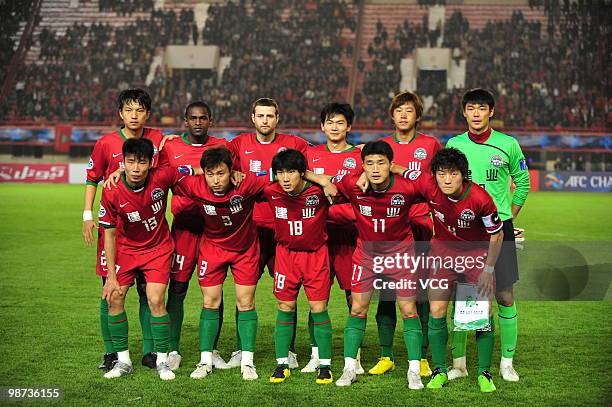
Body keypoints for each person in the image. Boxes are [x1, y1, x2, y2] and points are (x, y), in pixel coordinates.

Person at [393, 147, 504, 393]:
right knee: (436, 309)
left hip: (476, 256)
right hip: (443, 253)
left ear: (463, 175)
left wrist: (487, 269)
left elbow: (497, 235)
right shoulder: (429, 184)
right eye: (441, 173)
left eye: (452, 174)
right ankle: (440, 371)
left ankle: (484, 373)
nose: (446, 179)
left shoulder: (480, 199)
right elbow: (404, 171)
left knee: (477, 315)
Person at [446, 88, 530, 382]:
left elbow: (522, 182)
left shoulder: (508, 144)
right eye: (471, 108)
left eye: (482, 108)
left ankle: (507, 362)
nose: (477, 113)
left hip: (499, 228)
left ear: (491, 111)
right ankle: (459, 364)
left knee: (505, 295)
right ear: (465, 112)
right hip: (465, 231)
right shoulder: (454, 145)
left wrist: (507, 217)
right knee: (463, 295)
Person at [328, 141, 425, 389]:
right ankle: (349, 368)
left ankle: (414, 370)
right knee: (358, 308)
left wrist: (402, 169)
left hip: (400, 255)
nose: (375, 169)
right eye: (369, 164)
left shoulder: (407, 187)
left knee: (408, 310)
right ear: (362, 166)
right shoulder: (353, 183)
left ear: (390, 165)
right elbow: (327, 184)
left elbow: (432, 183)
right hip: (367, 256)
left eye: (381, 163)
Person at [170, 147, 269, 381]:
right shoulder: (195, 185)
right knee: (210, 302)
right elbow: (164, 174)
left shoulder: (248, 184)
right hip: (212, 249)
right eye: (210, 174)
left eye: (221, 174)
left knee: (245, 302)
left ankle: (247, 362)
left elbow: (284, 174)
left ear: (231, 171)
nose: (216, 180)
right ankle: (205, 361)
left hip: (245, 250)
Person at [82, 88, 163, 371]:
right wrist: (87, 215)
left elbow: (168, 166)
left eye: (139, 110)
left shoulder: (157, 139)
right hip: (114, 229)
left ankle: (151, 351)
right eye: (129, 110)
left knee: (147, 292)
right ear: (120, 113)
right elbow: (93, 178)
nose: (134, 115)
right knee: (110, 290)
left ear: (147, 114)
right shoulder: (106, 143)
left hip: (148, 233)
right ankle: (111, 352)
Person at [227, 98, 308, 369]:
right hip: (249, 230)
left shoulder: (295, 144)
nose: (265, 120)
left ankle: (291, 350)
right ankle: (240, 348)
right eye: (260, 115)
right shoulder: (239, 144)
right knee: (244, 292)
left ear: (277, 118)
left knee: (289, 292)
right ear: (252, 118)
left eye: (270, 115)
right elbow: (212, 159)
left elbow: (319, 161)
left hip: (282, 231)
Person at [99, 138, 185, 381]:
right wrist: (111, 276)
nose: (136, 168)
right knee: (115, 297)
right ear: (122, 163)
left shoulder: (162, 176)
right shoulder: (112, 189)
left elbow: (191, 168)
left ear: (151, 163)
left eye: (142, 162)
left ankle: (161, 361)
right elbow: (110, 232)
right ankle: (123, 361)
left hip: (158, 249)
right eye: (130, 162)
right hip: (126, 250)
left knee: (156, 299)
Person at [373, 91, 442, 377]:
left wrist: (406, 173)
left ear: (417, 116)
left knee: (422, 295)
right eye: (398, 110)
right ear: (392, 114)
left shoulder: (430, 145)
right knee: (387, 294)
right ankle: (386, 355)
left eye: (409, 110)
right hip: (387, 230)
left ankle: (423, 357)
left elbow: (439, 183)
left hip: (421, 227)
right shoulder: (381, 146)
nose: (403, 114)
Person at [157, 101, 229, 370]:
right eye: (193, 118)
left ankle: (211, 351)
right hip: (184, 230)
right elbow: (160, 177)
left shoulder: (222, 146)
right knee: (177, 289)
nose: (198, 122)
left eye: (203, 118)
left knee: (215, 293)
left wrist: (190, 171)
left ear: (210, 120)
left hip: (215, 231)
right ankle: (173, 349)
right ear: (185, 121)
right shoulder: (171, 147)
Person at [302, 103, 364, 374]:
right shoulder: (310, 154)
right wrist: (323, 180)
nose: (335, 127)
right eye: (330, 122)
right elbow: (297, 174)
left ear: (349, 127)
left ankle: (356, 356)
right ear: (322, 126)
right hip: (319, 239)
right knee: (317, 298)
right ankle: (316, 355)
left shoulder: (361, 156)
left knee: (355, 297)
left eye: (340, 123)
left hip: (350, 239)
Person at [265, 150, 335, 385]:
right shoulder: (271, 191)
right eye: (281, 172)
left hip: (316, 256)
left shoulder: (319, 192)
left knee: (318, 308)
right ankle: (282, 363)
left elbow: (350, 183)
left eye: (291, 172)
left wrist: (324, 180)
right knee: (285, 306)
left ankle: (324, 365)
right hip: (286, 256)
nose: (285, 178)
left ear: (303, 173)